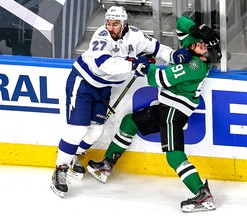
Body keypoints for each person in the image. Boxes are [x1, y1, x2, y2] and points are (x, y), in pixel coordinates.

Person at [50, 6, 194, 198]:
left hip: (103, 89)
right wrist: (134, 64)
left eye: (115, 24)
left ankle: (73, 155)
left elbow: (156, 48)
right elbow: (106, 64)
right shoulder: (101, 37)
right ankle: (60, 169)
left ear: (124, 24)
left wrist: (173, 55)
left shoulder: (135, 35)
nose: (111, 27)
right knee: (77, 129)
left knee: (96, 131)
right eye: (108, 23)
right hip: (83, 83)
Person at [87, 15, 221, 212]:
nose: (202, 45)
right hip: (165, 108)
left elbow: (159, 79)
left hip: (174, 113)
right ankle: (106, 164)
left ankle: (201, 193)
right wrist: (195, 28)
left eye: (203, 45)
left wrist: (143, 65)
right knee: (130, 122)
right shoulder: (190, 50)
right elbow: (181, 22)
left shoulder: (195, 66)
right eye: (199, 42)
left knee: (173, 156)